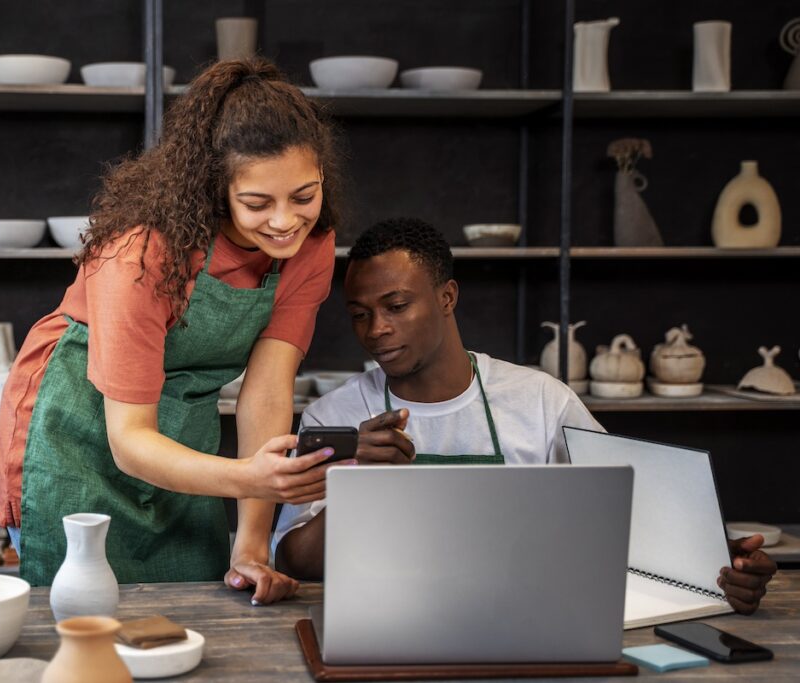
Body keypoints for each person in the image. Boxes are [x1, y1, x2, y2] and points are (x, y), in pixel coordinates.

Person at [273, 217, 777, 615]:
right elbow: (292, 559)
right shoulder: (335, 414)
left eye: (397, 305)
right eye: (360, 314)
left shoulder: (540, 400)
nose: (376, 329)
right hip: (389, 617)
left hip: (529, 612)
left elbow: (625, 516)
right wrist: (361, 488)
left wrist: (716, 561)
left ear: (447, 297)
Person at [0, 58, 352, 604]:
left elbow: (267, 389)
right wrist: (249, 477)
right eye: (258, 203)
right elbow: (130, 439)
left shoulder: (310, 246)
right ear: (216, 188)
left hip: (181, 426)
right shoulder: (141, 252)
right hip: (81, 427)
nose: (285, 221)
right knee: (83, 611)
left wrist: (252, 544)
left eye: (304, 195)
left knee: (194, 604)